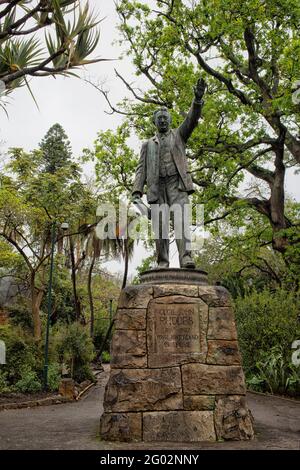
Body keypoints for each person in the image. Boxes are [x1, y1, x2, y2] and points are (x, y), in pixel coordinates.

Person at [132, 77, 206, 269]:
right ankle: (162, 261)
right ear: (155, 122)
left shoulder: (179, 135)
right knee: (160, 228)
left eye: (166, 118)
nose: (163, 120)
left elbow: (192, 119)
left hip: (177, 185)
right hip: (157, 189)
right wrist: (136, 192)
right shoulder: (147, 145)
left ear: (170, 121)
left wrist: (197, 100)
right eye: (159, 119)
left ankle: (186, 258)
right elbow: (141, 169)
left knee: (182, 221)